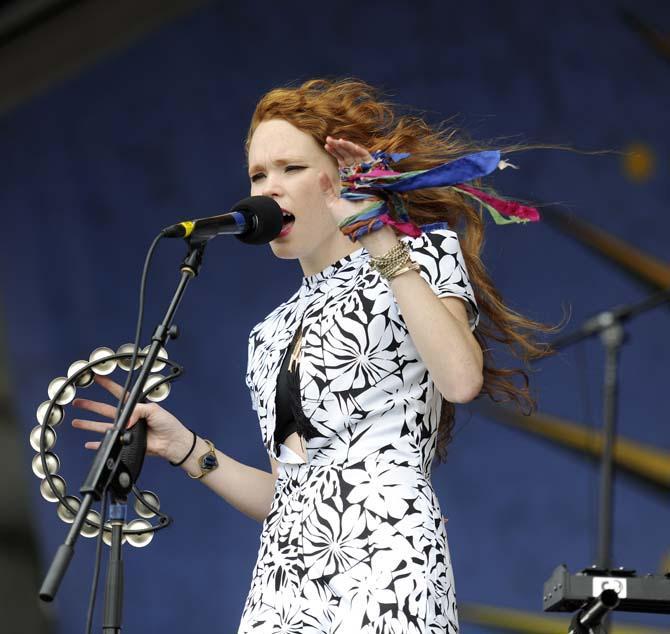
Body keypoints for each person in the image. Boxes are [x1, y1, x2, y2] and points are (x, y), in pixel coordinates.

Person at [72, 79, 549, 633]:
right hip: (282, 584)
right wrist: (187, 450)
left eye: (290, 169)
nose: (269, 189)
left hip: (386, 558)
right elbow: (291, 493)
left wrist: (379, 238)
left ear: (341, 174)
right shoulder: (268, 334)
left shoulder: (416, 256)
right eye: (257, 175)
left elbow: (461, 380)